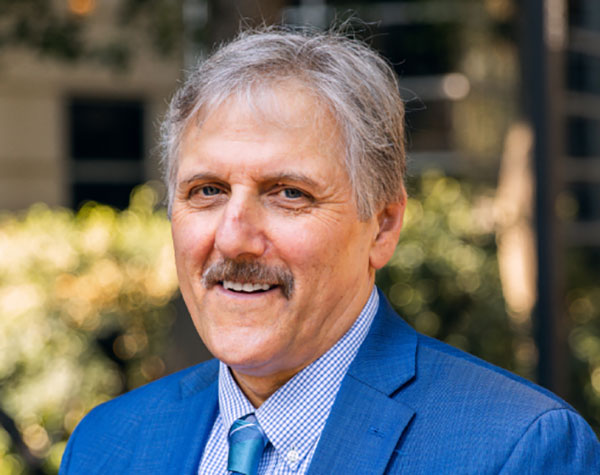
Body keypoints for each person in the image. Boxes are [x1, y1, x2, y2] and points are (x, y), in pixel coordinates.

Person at [60, 26, 600, 474]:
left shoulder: (518, 448)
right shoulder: (107, 445)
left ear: (383, 227)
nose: (232, 237)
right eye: (207, 191)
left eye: (289, 193)